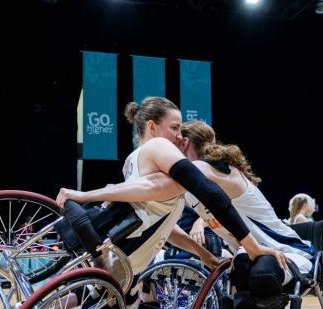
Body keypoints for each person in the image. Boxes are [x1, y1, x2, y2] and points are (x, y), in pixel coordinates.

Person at [61, 117, 313, 309]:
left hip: (287, 250)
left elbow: (154, 187)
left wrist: (87, 195)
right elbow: (170, 231)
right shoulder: (189, 190)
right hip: (250, 254)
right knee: (243, 266)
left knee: (258, 269)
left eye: (174, 139)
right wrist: (205, 255)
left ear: (184, 143)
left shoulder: (211, 170)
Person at [56, 96, 285, 274]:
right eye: (175, 127)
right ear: (152, 127)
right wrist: (252, 246)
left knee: (87, 305)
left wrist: (203, 255)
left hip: (126, 251)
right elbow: (209, 192)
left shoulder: (130, 161)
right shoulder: (158, 146)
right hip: (128, 252)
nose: (179, 135)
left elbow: (165, 226)